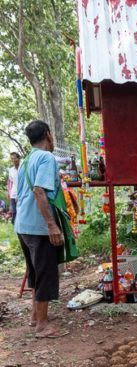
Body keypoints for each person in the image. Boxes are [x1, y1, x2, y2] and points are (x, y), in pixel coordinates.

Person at [14, 120, 65, 338]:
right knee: (44, 272)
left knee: (34, 271)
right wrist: (51, 224)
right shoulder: (45, 158)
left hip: (22, 225)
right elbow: (39, 191)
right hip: (37, 225)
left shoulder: (26, 160)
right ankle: (42, 326)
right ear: (48, 134)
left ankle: (36, 316)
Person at [8, 152, 21, 224]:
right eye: (12, 159)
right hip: (13, 194)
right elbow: (11, 183)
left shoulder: (23, 168)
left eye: (14, 158)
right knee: (14, 211)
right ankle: (15, 227)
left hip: (22, 193)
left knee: (21, 211)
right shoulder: (11, 170)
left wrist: (19, 195)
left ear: (19, 159)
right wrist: (10, 194)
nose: (13, 160)